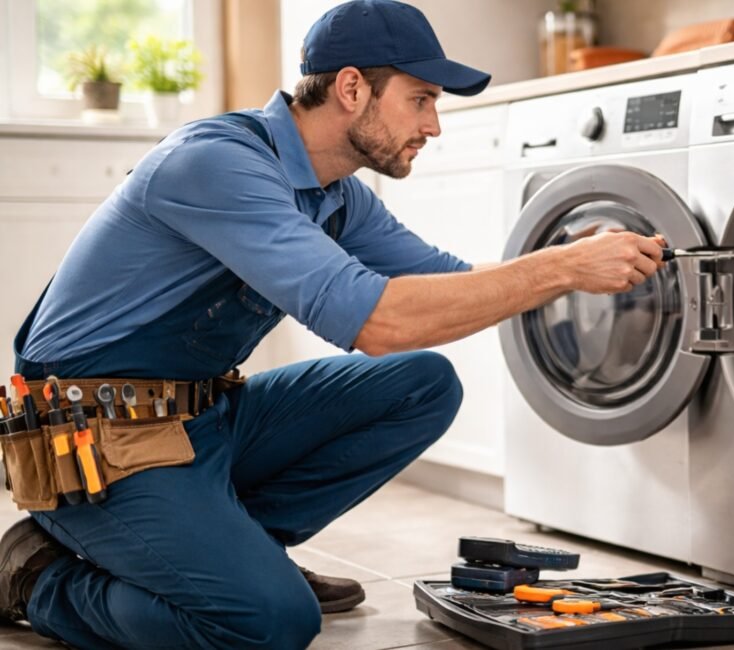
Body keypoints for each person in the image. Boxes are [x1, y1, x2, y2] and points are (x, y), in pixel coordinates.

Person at [0, 1, 666, 647]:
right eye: (421, 98)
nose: (434, 124)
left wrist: (587, 263)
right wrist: (561, 269)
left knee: (423, 384)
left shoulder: (336, 192)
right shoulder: (215, 164)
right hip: (95, 443)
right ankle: (36, 579)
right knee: (269, 624)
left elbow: (452, 282)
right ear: (353, 88)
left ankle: (238, 551)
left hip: (199, 423)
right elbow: (379, 323)